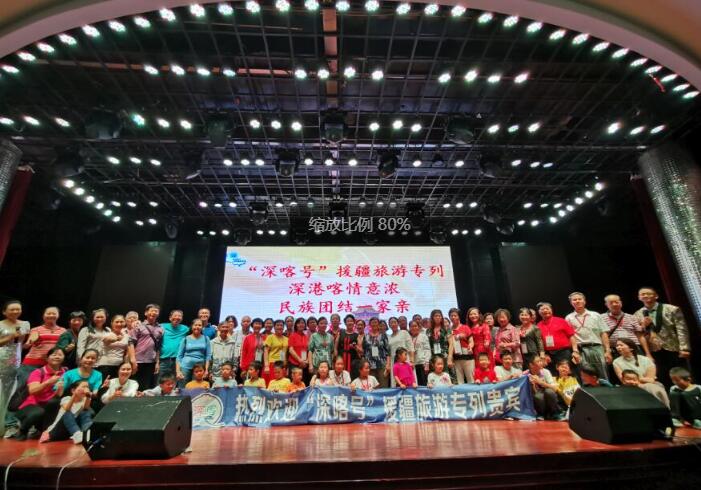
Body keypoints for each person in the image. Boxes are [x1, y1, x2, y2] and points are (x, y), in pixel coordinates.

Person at [634, 287, 691, 389]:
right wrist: (643, 326)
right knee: (661, 377)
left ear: (656, 296)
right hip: (654, 350)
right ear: (639, 297)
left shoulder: (672, 309)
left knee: (680, 375)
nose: (645, 296)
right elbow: (639, 334)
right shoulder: (637, 314)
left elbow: (681, 329)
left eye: (648, 293)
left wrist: (684, 348)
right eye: (642, 294)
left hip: (673, 347)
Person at [13, 347, 66, 441]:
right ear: (47, 358)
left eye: (60, 355)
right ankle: (23, 430)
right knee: (38, 413)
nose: (57, 357)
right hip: (33, 405)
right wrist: (48, 382)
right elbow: (32, 390)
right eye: (54, 354)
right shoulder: (38, 372)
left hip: (52, 406)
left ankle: (42, 430)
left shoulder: (66, 372)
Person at [0, 299, 30, 437]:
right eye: (12, 309)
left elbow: (25, 341)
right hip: (1, 357)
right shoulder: (0, 324)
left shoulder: (25, 324)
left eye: (18, 309)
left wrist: (30, 342)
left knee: (10, 392)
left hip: (16, 358)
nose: (15, 311)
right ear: (4, 312)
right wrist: (11, 336)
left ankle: (6, 423)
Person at [565, 292, 611, 380]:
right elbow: (571, 336)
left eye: (580, 299)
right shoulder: (569, 318)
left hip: (597, 347)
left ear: (584, 301)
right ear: (571, 303)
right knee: (586, 375)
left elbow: (603, 333)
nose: (577, 301)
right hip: (581, 349)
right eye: (574, 300)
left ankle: (606, 388)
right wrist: (575, 351)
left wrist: (607, 350)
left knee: (602, 373)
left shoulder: (595, 315)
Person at [613, 338, 670, 406]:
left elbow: (650, 379)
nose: (618, 347)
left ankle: (666, 409)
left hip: (647, 384)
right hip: (630, 385)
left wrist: (635, 379)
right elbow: (623, 380)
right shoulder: (616, 362)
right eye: (617, 346)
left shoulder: (646, 360)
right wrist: (636, 380)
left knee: (656, 388)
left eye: (621, 345)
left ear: (631, 348)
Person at [40, 380, 92, 444]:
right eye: (83, 387)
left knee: (85, 412)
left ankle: (87, 432)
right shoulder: (66, 398)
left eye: (87, 387)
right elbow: (67, 408)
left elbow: (86, 408)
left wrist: (88, 396)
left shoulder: (84, 400)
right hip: (57, 431)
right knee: (67, 413)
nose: (86, 389)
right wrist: (74, 395)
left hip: (69, 431)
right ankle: (77, 434)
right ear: (73, 390)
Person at [603, 294, 651, 358]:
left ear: (621, 303)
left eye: (616, 302)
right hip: (615, 349)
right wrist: (607, 351)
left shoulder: (631, 317)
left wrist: (648, 353)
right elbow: (602, 336)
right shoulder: (601, 318)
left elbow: (640, 336)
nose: (614, 304)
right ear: (606, 305)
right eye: (611, 303)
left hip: (634, 348)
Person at [21, 306, 65, 376]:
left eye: (54, 313)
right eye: (48, 313)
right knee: (26, 382)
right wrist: (29, 342)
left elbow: (63, 347)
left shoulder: (63, 331)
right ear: (43, 315)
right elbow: (32, 337)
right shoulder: (36, 329)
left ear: (58, 315)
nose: (51, 315)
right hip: (33, 362)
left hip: (52, 364)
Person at [537, 302, 579, 373]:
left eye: (547, 308)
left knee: (567, 373)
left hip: (563, 353)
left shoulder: (561, 321)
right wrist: (545, 354)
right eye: (542, 309)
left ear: (551, 310)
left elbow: (571, 336)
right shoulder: (538, 325)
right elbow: (539, 342)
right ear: (539, 312)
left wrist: (575, 350)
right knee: (552, 374)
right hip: (549, 355)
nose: (545, 310)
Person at [130, 303, 163, 390]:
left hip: (151, 362)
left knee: (147, 387)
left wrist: (157, 362)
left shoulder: (160, 328)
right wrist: (133, 360)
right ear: (146, 313)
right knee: (134, 386)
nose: (154, 313)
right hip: (138, 361)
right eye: (151, 311)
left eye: (156, 311)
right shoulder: (138, 325)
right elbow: (130, 343)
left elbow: (158, 347)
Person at [97, 315, 136, 380]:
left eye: (121, 322)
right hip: (106, 365)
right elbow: (106, 340)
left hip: (119, 366)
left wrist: (129, 364)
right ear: (112, 323)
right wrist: (117, 339)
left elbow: (127, 353)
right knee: (104, 385)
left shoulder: (126, 336)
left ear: (125, 323)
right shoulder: (106, 334)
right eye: (117, 322)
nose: (119, 324)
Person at [527, 356, 563, 421]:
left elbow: (554, 388)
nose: (541, 363)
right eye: (538, 361)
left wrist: (541, 382)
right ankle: (541, 414)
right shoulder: (526, 374)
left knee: (549, 392)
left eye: (541, 361)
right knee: (538, 396)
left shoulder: (546, 372)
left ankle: (554, 413)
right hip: (535, 399)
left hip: (547, 396)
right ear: (531, 365)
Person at [176, 319, 212, 384]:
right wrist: (178, 371)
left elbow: (208, 356)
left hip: (199, 369)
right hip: (185, 367)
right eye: (195, 325)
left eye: (199, 325)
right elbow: (179, 356)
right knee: (183, 388)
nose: (197, 327)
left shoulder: (206, 339)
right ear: (192, 326)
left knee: (197, 388)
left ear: (202, 327)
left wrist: (206, 370)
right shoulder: (185, 339)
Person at [160, 310, 189, 377]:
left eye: (179, 316)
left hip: (178, 360)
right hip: (163, 360)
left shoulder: (185, 329)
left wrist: (213, 328)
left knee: (176, 381)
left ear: (181, 319)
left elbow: (196, 330)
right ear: (170, 318)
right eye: (175, 315)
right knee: (160, 380)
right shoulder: (162, 326)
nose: (177, 317)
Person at [363, 317, 391, 388]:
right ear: (369, 324)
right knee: (372, 386)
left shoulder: (383, 335)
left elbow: (388, 351)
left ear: (378, 324)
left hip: (382, 364)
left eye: (376, 322)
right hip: (370, 366)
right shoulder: (366, 336)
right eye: (372, 322)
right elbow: (364, 351)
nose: (374, 324)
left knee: (384, 386)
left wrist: (388, 365)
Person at [448, 308, 473, 384]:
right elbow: (450, 345)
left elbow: (471, 341)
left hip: (467, 356)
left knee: (471, 379)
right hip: (456, 358)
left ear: (459, 316)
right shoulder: (448, 330)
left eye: (455, 315)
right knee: (459, 381)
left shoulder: (465, 327)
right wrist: (450, 358)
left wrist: (470, 347)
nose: (453, 317)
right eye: (451, 316)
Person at [387, 317, 413, 387]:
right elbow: (389, 352)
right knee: (396, 381)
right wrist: (388, 364)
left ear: (398, 323)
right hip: (394, 362)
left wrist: (412, 361)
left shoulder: (404, 332)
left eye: (395, 322)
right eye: (391, 323)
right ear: (389, 325)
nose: (393, 324)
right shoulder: (389, 337)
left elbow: (410, 347)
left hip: (405, 360)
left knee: (408, 380)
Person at [427, 309, 452, 378]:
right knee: (434, 377)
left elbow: (451, 344)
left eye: (439, 316)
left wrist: (450, 357)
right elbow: (427, 346)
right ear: (432, 318)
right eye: (435, 316)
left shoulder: (446, 329)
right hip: (433, 358)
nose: (438, 317)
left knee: (446, 377)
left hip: (445, 356)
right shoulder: (428, 331)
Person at [336, 315, 361, 379]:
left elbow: (360, 350)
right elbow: (336, 346)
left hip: (353, 359)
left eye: (351, 321)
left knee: (352, 376)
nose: (350, 323)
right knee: (340, 375)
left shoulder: (357, 335)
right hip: (341, 357)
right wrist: (335, 355)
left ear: (354, 323)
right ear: (345, 323)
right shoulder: (341, 332)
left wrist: (355, 347)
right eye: (348, 321)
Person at [263, 320, 288, 384]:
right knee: (271, 384)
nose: (279, 327)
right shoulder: (270, 337)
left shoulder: (286, 339)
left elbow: (284, 353)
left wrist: (285, 367)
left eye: (281, 325)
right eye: (277, 325)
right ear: (274, 327)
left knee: (281, 384)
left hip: (282, 365)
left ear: (283, 327)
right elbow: (266, 351)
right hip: (272, 364)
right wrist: (266, 365)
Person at [288, 318, 310, 384]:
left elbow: (308, 350)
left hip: (304, 364)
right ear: (296, 325)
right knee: (294, 383)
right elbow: (291, 350)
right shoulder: (292, 335)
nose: (301, 324)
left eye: (303, 323)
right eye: (299, 323)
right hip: (294, 363)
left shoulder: (306, 336)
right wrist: (300, 360)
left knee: (304, 382)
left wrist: (307, 361)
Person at [409, 320, 431, 386]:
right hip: (412, 365)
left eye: (415, 326)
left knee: (424, 384)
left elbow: (427, 350)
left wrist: (427, 363)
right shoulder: (409, 338)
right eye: (412, 326)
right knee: (415, 384)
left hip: (422, 363)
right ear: (409, 328)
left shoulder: (423, 336)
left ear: (418, 327)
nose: (414, 328)